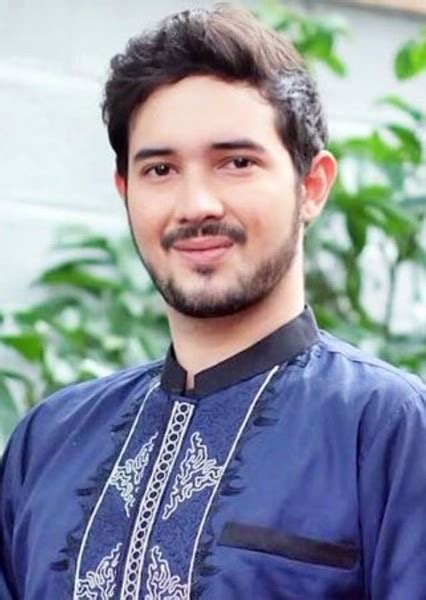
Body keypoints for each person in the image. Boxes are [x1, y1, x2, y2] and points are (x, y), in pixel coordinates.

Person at [1, 4, 425, 599]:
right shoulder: (46, 444)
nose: (196, 203)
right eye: (160, 169)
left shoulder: (389, 429)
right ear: (125, 192)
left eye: (236, 163)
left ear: (311, 186)